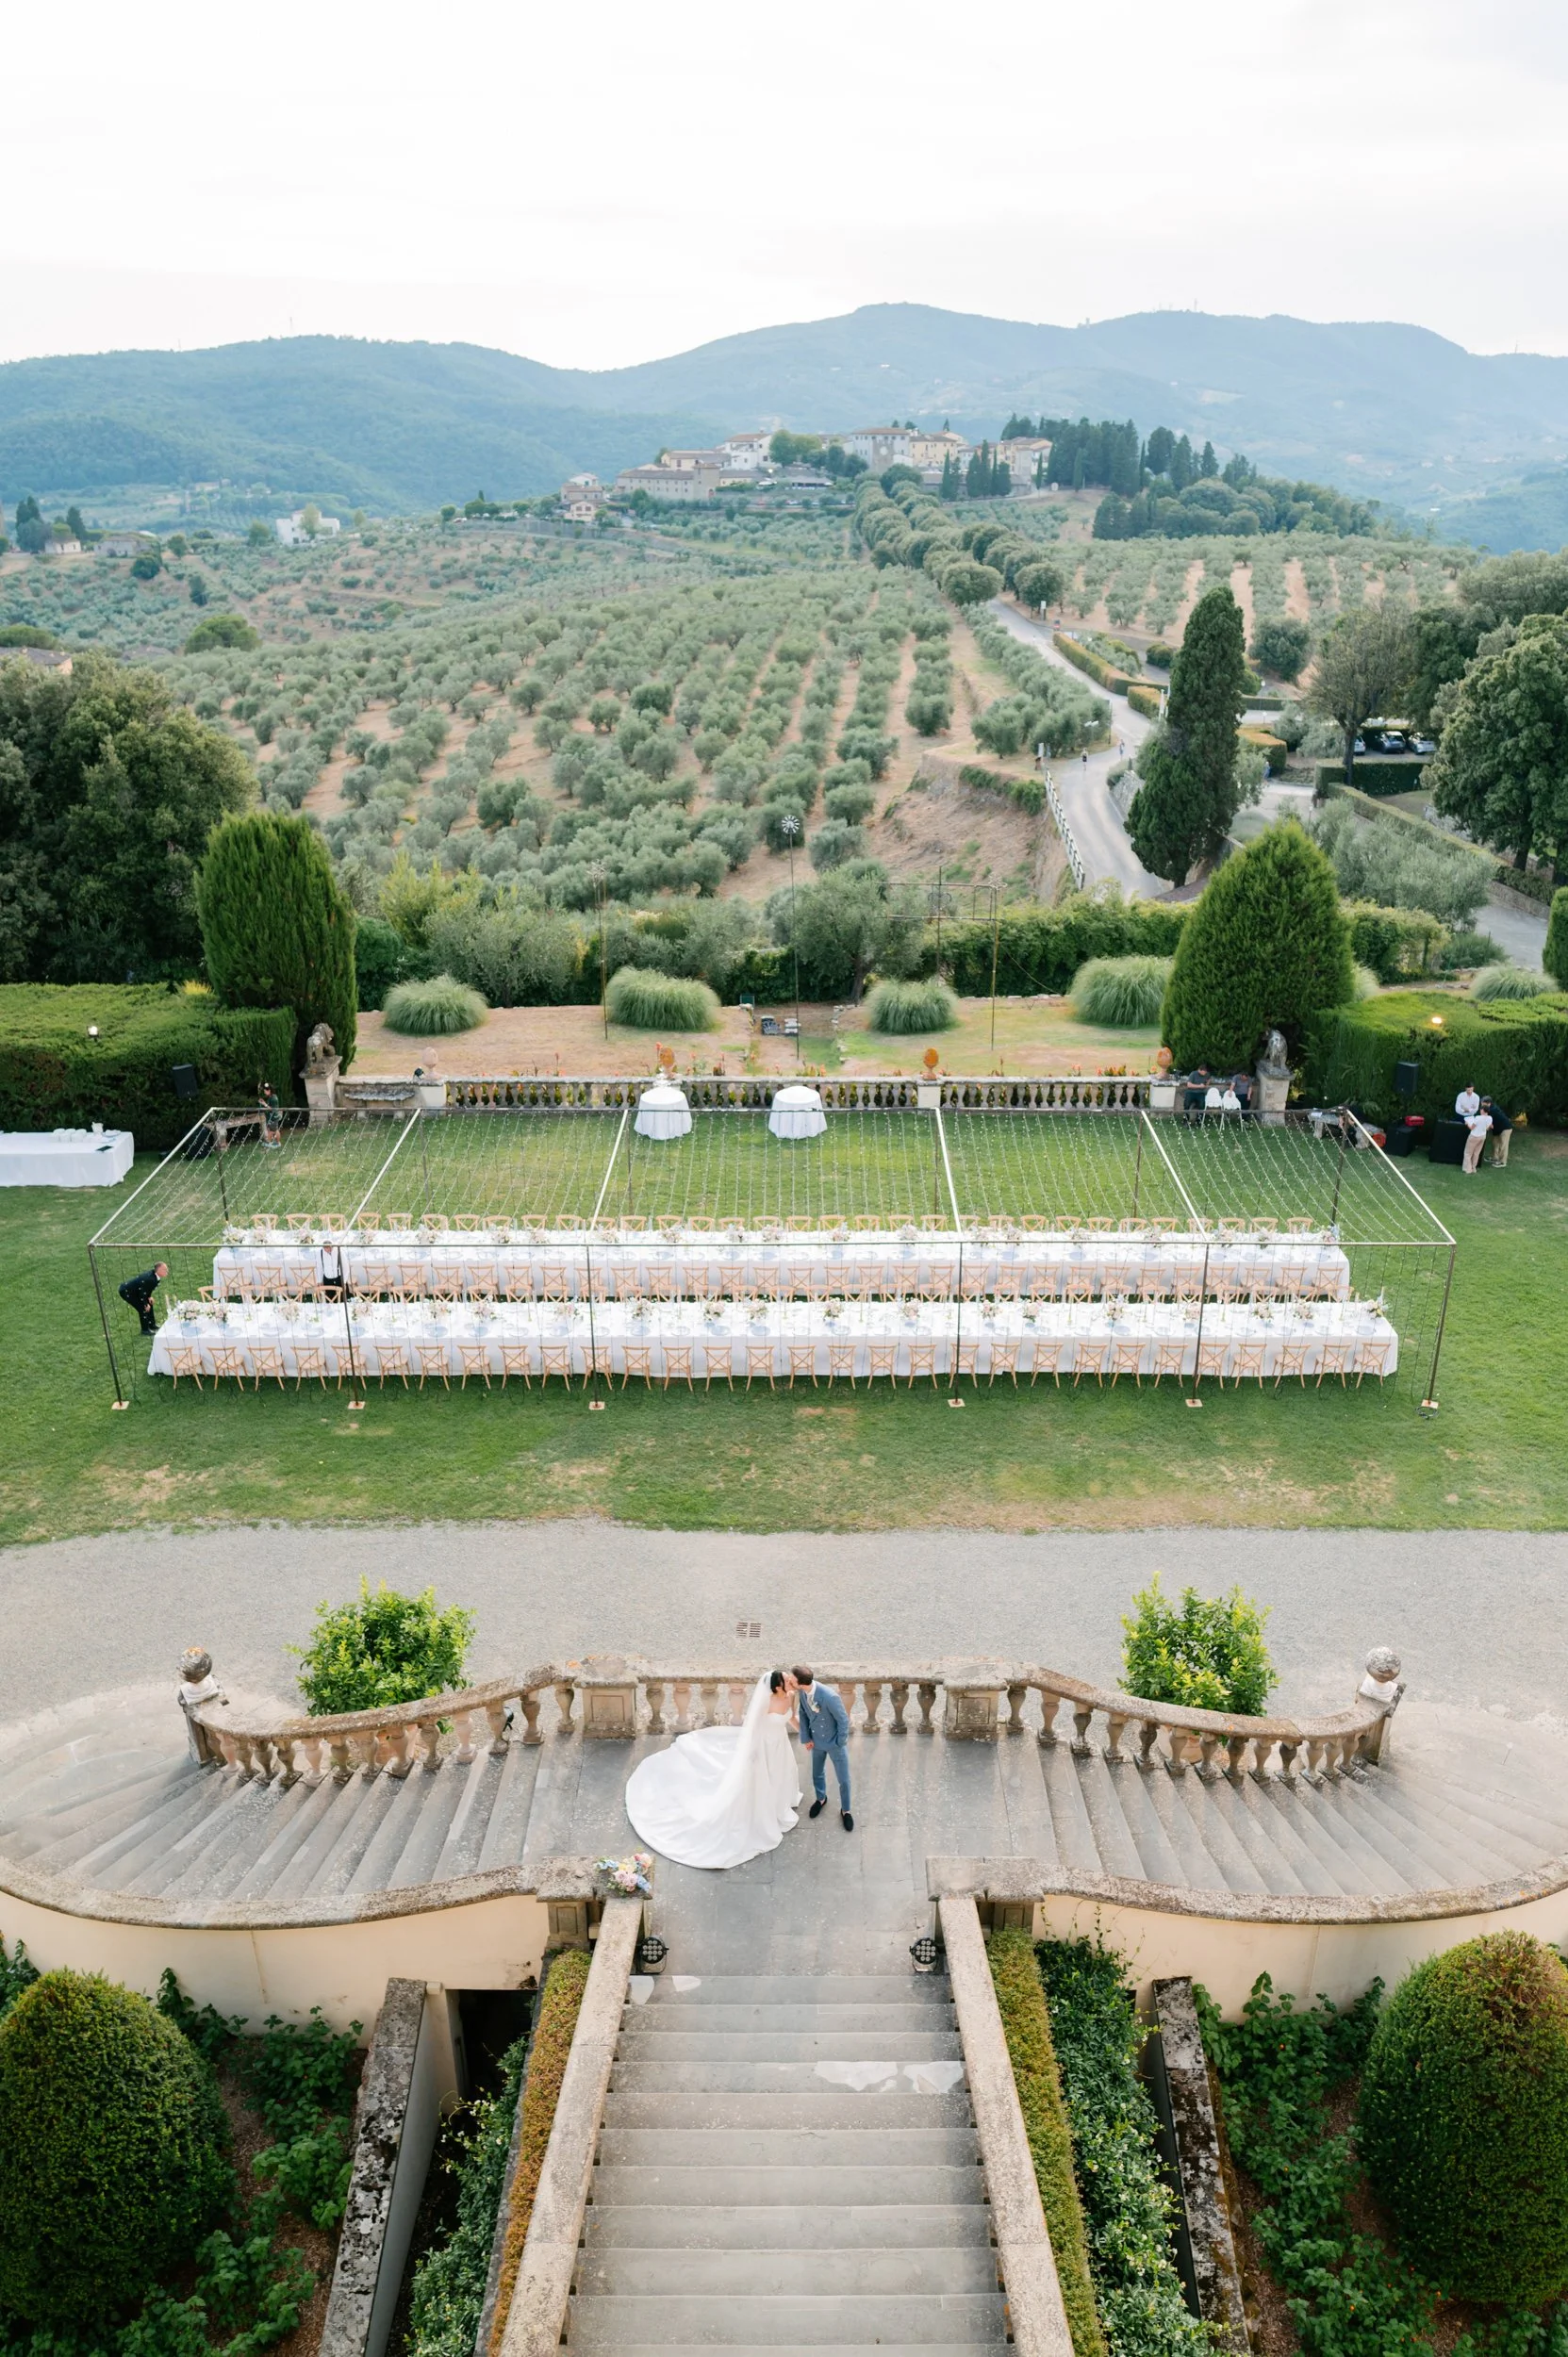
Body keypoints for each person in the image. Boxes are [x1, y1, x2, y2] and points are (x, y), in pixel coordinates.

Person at [624, 1671, 801, 1870]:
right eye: (787, 1680)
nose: (791, 1681)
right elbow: (754, 1729)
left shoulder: (792, 1695)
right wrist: (752, 1753)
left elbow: (791, 1717)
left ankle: (778, 1803)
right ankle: (766, 1808)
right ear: (778, 1687)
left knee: (779, 1775)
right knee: (761, 1779)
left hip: (780, 1745)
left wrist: (805, 1734)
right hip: (764, 1746)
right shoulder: (766, 1702)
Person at [794, 1665, 853, 1831]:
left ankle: (846, 1810)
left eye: (793, 1679)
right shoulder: (802, 1692)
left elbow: (843, 1720)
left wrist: (839, 1742)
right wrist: (806, 1738)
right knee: (816, 1773)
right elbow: (804, 1713)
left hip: (834, 1744)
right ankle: (821, 1799)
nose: (790, 1681)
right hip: (816, 1742)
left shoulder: (829, 1697)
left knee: (844, 1779)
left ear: (800, 1683)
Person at [119, 1262, 168, 1335]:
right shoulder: (150, 1279)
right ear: (159, 1270)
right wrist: (145, 1304)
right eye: (165, 1270)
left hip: (137, 1291)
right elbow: (142, 1293)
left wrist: (149, 1297)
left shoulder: (156, 1277)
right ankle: (145, 1330)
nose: (167, 1271)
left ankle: (152, 1325)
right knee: (142, 1309)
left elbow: (147, 1289)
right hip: (127, 1292)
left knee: (150, 1303)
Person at [1461, 1106, 1491, 1174]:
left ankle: (1468, 1169)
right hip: (1482, 1137)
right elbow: (1487, 1128)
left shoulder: (1477, 1118)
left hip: (1474, 1136)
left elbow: (1471, 1128)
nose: (1480, 1111)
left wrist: (1467, 1124)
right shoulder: (1490, 1118)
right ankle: (1473, 1168)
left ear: (1483, 1110)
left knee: (1468, 1153)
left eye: (1481, 1110)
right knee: (1476, 1153)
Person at [1486, 1097, 1512, 1168]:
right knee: (1495, 1142)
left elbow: (1488, 1122)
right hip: (1498, 1129)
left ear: (1489, 1103)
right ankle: (1495, 1158)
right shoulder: (1490, 1109)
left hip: (1505, 1128)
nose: (1481, 1105)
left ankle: (1502, 1162)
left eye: (1483, 1103)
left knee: (1503, 1145)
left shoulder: (1492, 1110)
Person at [258, 1080, 282, 1148]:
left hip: (274, 1117)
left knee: (272, 1131)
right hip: (271, 1117)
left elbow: (272, 1109)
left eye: (265, 1090)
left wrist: (264, 1104)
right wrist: (264, 1102)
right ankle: (275, 1142)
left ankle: (271, 1143)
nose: (264, 1092)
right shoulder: (271, 1097)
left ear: (269, 1090)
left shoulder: (274, 1098)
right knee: (273, 1130)